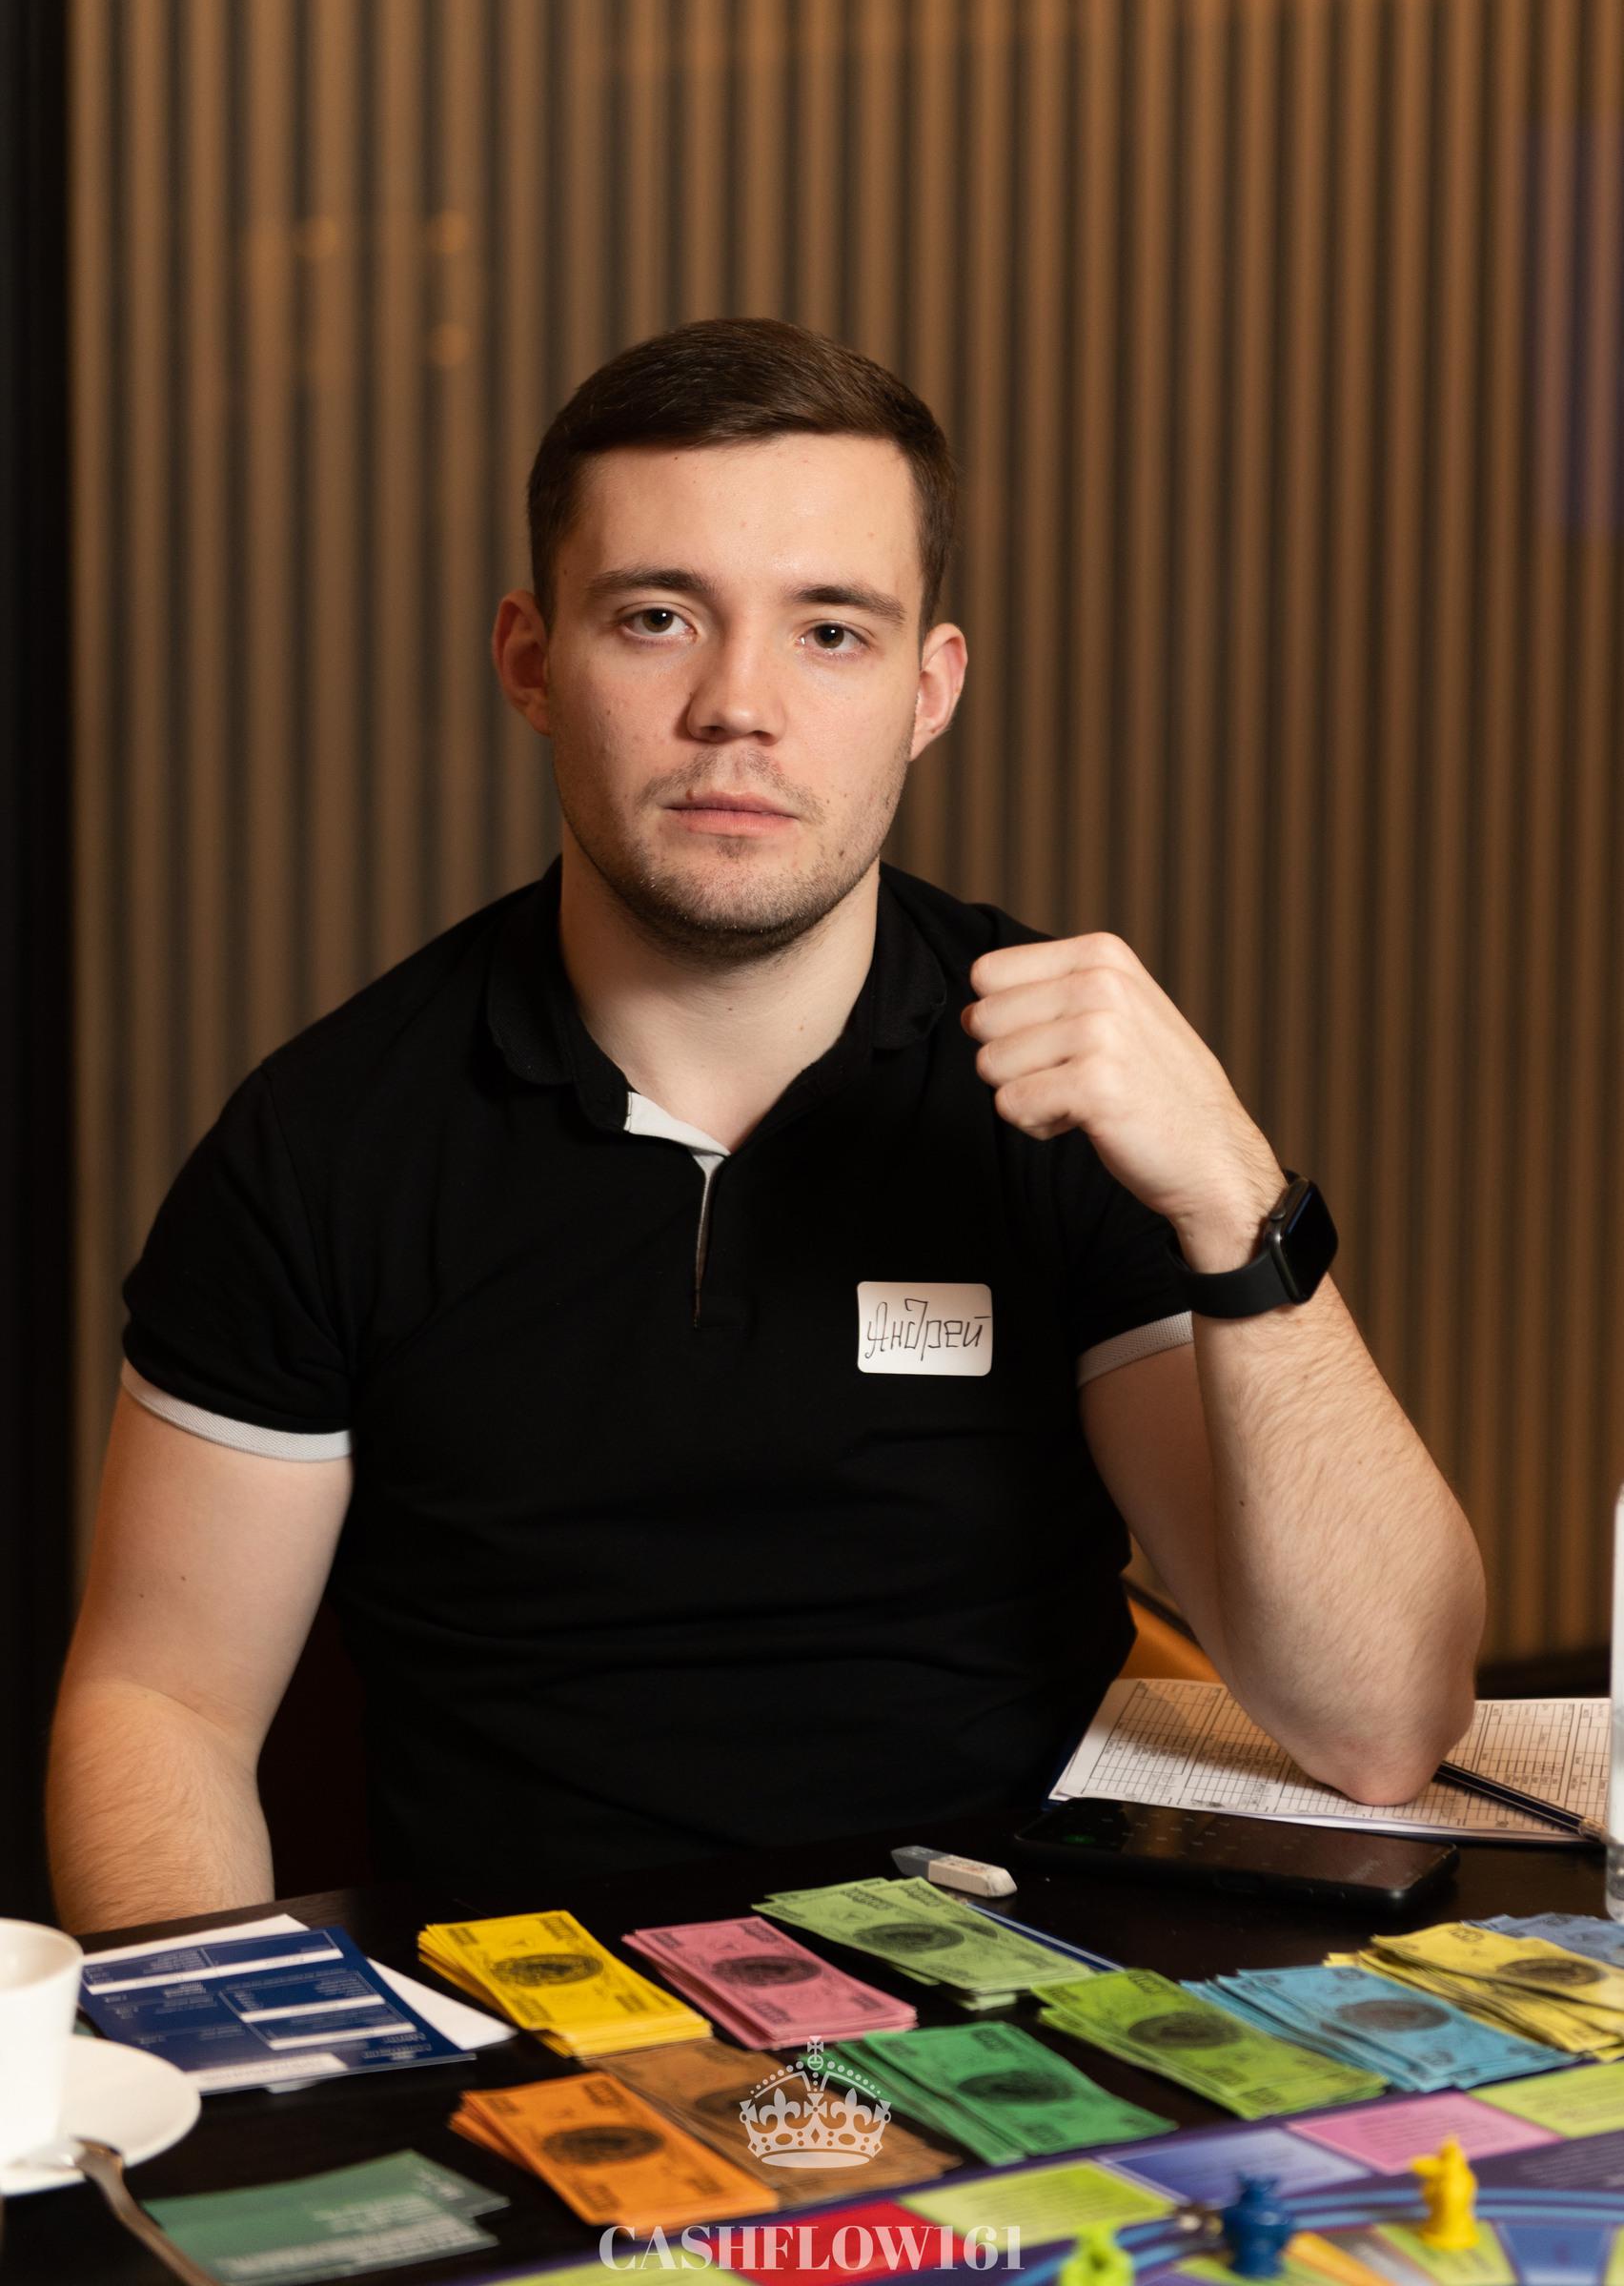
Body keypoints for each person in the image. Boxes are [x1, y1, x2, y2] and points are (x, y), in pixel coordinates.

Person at [47, 318, 1485, 1928]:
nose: (738, 706)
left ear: (930, 690)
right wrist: (235, 2054)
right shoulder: (324, 1143)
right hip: (531, 2026)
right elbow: (162, 1708)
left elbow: (1380, 1725)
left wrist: (1232, 1191)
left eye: (831, 631)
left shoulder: (1070, 1098)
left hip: (1031, 2007)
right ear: (531, 661)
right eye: (657, 618)